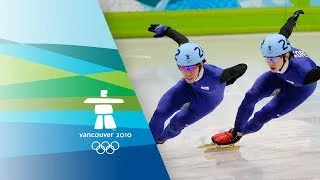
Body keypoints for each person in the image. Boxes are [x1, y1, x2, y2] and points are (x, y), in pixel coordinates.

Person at [212, 10, 320, 145]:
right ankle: (236, 133)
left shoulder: (307, 73)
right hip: (279, 77)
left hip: (300, 88)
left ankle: (243, 133)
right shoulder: (279, 46)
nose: (270, 63)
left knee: (265, 114)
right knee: (251, 96)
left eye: (274, 59)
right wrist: (293, 19)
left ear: (286, 55)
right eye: (267, 58)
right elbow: (285, 32)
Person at [147, 23, 248, 144]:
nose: (188, 73)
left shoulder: (216, 76)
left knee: (176, 123)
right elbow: (183, 41)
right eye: (183, 68)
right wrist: (166, 30)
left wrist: (227, 80)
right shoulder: (188, 54)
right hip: (186, 89)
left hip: (206, 102)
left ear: (201, 64)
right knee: (160, 113)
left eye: (191, 68)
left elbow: (243, 67)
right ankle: (148, 144)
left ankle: (160, 139)